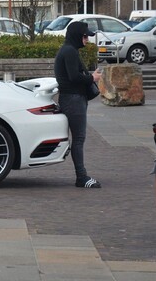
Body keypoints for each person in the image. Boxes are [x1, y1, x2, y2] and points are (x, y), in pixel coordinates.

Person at [54, 21, 102, 188]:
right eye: (84, 36)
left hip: (72, 98)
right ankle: (81, 177)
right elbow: (74, 77)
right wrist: (92, 79)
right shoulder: (70, 52)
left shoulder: (69, 50)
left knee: (78, 138)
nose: (87, 39)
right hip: (73, 99)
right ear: (76, 35)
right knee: (79, 138)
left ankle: (81, 176)